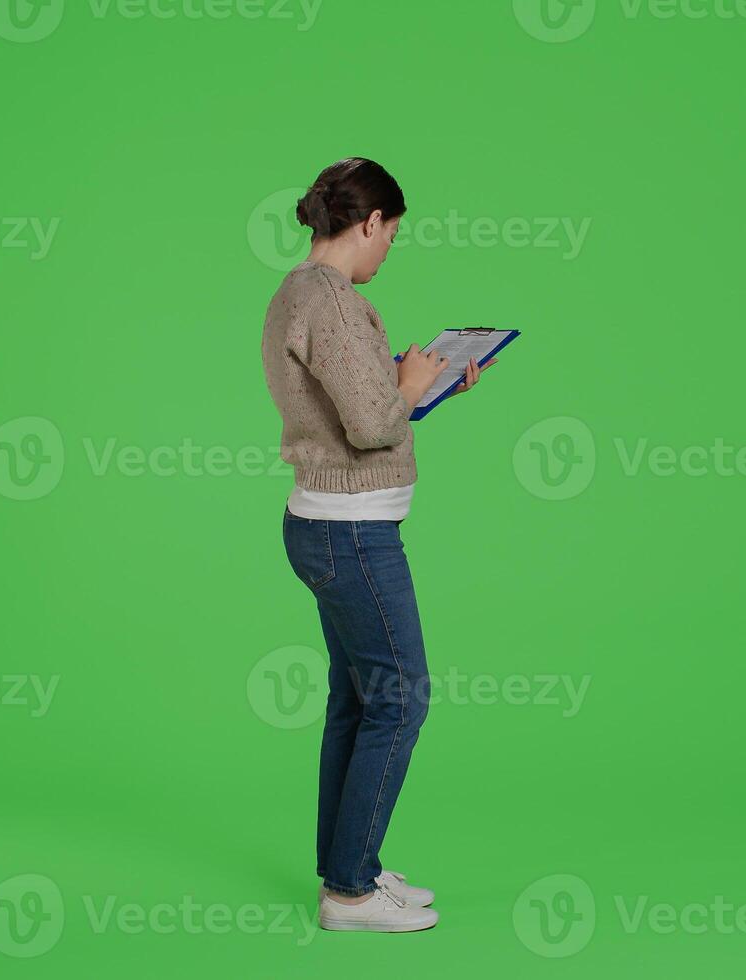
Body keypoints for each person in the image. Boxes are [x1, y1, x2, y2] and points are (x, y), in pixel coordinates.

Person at [260, 157, 493, 933]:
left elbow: (357, 407)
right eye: (392, 232)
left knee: (358, 701)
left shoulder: (301, 291)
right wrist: (408, 386)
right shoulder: (331, 300)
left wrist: (413, 384)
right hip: (350, 532)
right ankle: (351, 896)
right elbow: (370, 424)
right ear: (369, 223)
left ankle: (347, 869)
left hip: (329, 523)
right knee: (400, 697)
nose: (390, 247)